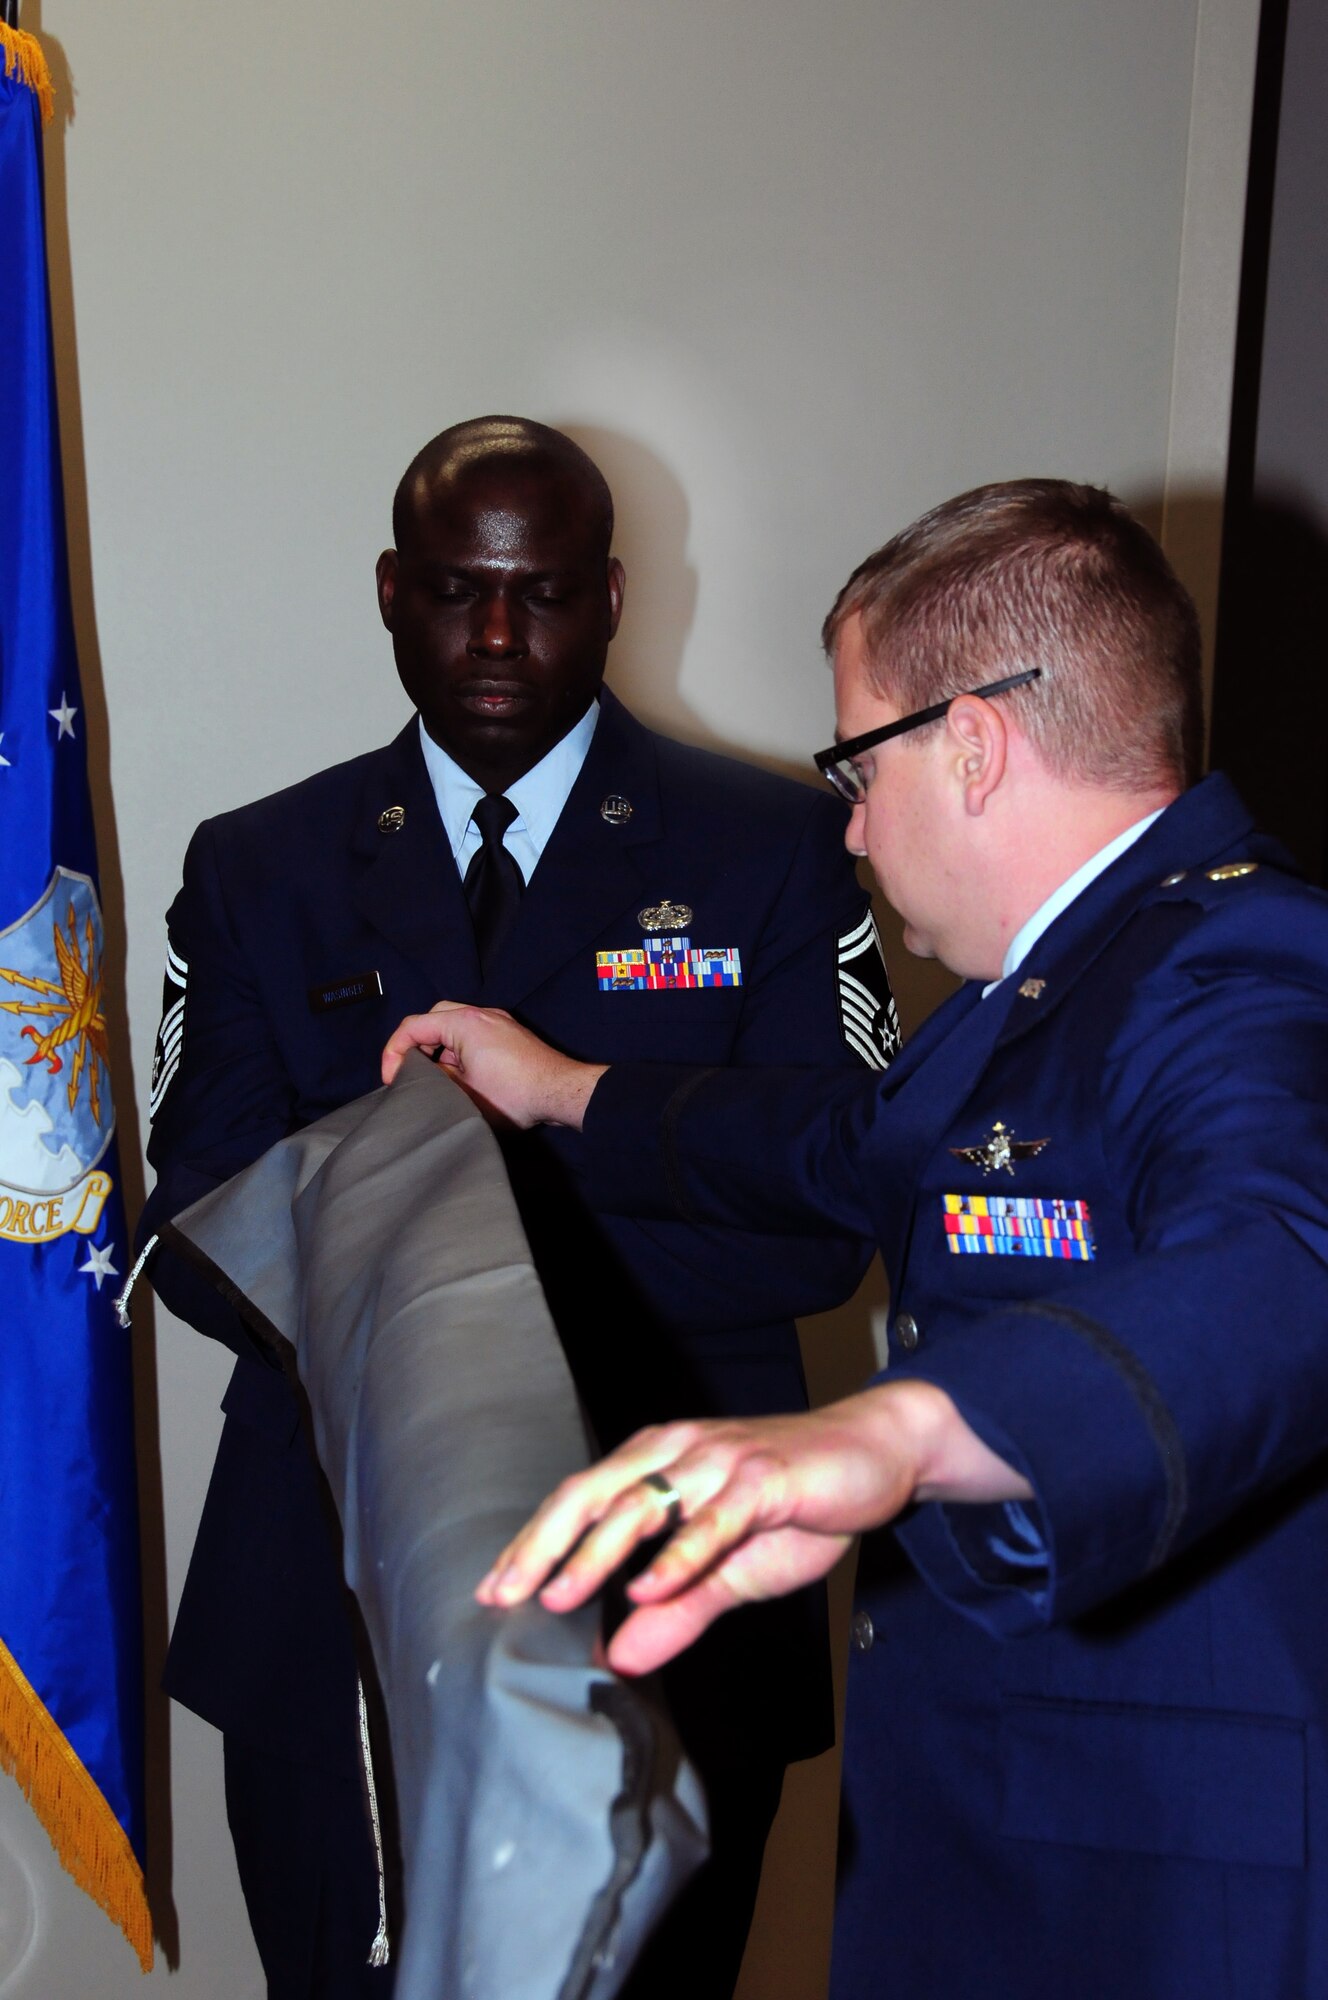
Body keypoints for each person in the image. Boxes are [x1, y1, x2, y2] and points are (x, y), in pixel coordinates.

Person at [384, 478, 1328, 2000]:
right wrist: (563, 1087)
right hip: (990, 1823)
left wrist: (902, 1431)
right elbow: (840, 1141)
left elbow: (1281, 1265)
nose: (852, 823)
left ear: (973, 745)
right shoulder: (1060, 980)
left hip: (1146, 1879)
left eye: (859, 764)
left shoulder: (1247, 971)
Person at [136, 416, 897, 1998]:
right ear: (388, 590)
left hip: (671, 1580)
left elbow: (824, 1219)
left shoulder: (773, 853)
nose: (495, 636)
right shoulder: (263, 864)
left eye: (541, 594)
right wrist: (490, 1237)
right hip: (328, 1587)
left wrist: (499, 1171)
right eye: (453, 591)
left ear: (609, 597)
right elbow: (201, 1221)